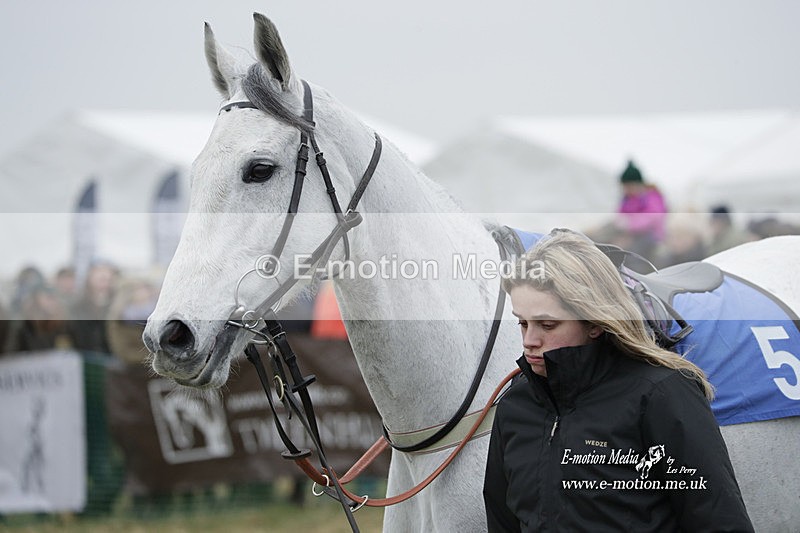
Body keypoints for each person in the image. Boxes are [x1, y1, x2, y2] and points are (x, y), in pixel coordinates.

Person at [483, 229, 753, 532]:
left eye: (547, 324)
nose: (529, 340)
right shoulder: (515, 405)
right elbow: (502, 521)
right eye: (522, 323)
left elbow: (719, 521)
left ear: (595, 323)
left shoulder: (662, 395)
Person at [615, 160, 667, 261]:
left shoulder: (651, 196)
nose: (626, 189)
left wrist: (628, 225)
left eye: (629, 186)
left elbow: (653, 218)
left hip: (652, 236)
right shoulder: (627, 200)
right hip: (632, 234)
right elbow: (619, 217)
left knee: (632, 251)